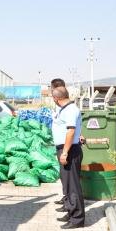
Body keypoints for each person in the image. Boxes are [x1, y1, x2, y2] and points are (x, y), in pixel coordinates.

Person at [52, 86, 85, 229]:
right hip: (65, 149)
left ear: (56, 99)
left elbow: (71, 132)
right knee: (68, 185)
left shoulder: (71, 110)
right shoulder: (65, 109)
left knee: (73, 187)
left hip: (70, 151)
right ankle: (71, 212)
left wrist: (65, 152)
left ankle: (77, 219)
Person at [50, 79, 67, 207]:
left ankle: (69, 203)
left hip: (66, 146)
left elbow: (71, 129)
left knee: (68, 176)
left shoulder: (66, 107)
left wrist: (65, 152)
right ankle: (66, 197)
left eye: (52, 89)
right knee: (64, 175)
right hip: (59, 144)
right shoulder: (58, 106)